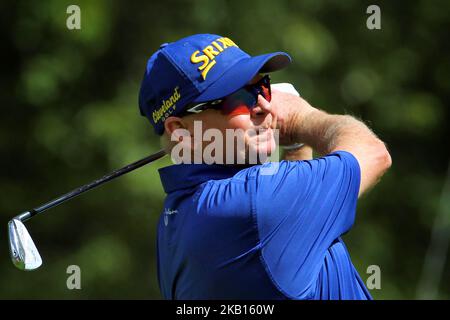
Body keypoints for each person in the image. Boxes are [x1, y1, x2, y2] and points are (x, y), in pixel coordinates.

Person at [138, 34, 392, 299]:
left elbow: (291, 256)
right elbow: (373, 153)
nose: (263, 107)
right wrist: (301, 118)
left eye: (263, 87)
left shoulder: (174, 218)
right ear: (181, 132)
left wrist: (294, 145)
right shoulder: (255, 202)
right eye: (238, 97)